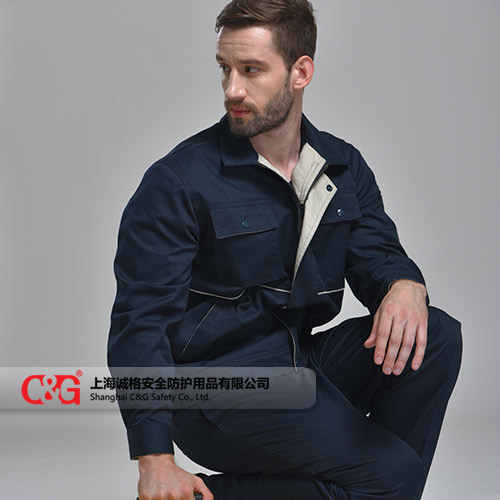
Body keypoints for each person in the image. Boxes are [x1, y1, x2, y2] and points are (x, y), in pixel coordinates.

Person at [107, 1, 463, 499]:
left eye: (251, 70)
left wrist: (404, 284)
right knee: (391, 475)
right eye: (225, 69)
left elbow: (378, 255)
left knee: (437, 335)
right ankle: (379, 482)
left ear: (301, 72)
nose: (232, 89)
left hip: (298, 364)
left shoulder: (340, 167)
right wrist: (154, 459)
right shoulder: (178, 182)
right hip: (215, 389)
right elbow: (139, 323)